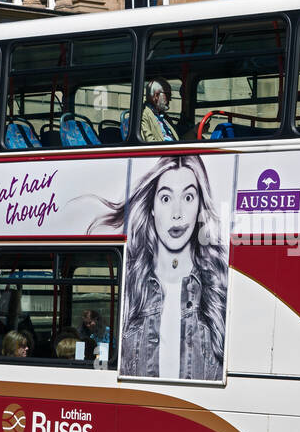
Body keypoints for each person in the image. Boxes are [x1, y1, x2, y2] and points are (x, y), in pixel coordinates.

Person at [96, 154, 228, 381]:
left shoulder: (218, 292)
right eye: (166, 199)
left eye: (188, 197)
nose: (177, 213)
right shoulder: (131, 290)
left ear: (199, 207)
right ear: (153, 207)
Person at [139, 78, 176, 143]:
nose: (170, 99)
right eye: (167, 95)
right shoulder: (142, 115)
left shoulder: (164, 116)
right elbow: (150, 143)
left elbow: (178, 140)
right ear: (156, 95)